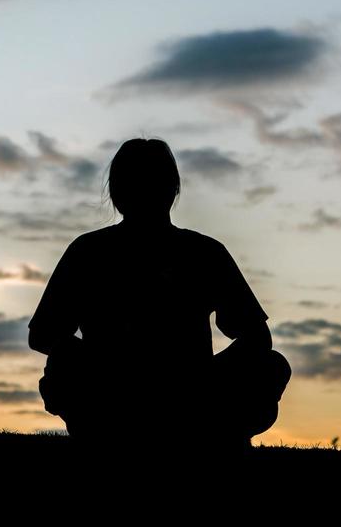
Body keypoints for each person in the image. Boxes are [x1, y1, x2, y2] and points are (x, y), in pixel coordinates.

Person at [28, 137, 291, 458]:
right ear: (175, 189)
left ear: (115, 192)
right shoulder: (203, 252)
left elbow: (43, 336)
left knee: (271, 365)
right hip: (129, 394)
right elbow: (257, 337)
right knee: (270, 365)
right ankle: (212, 435)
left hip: (174, 395)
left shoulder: (90, 251)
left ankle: (186, 432)